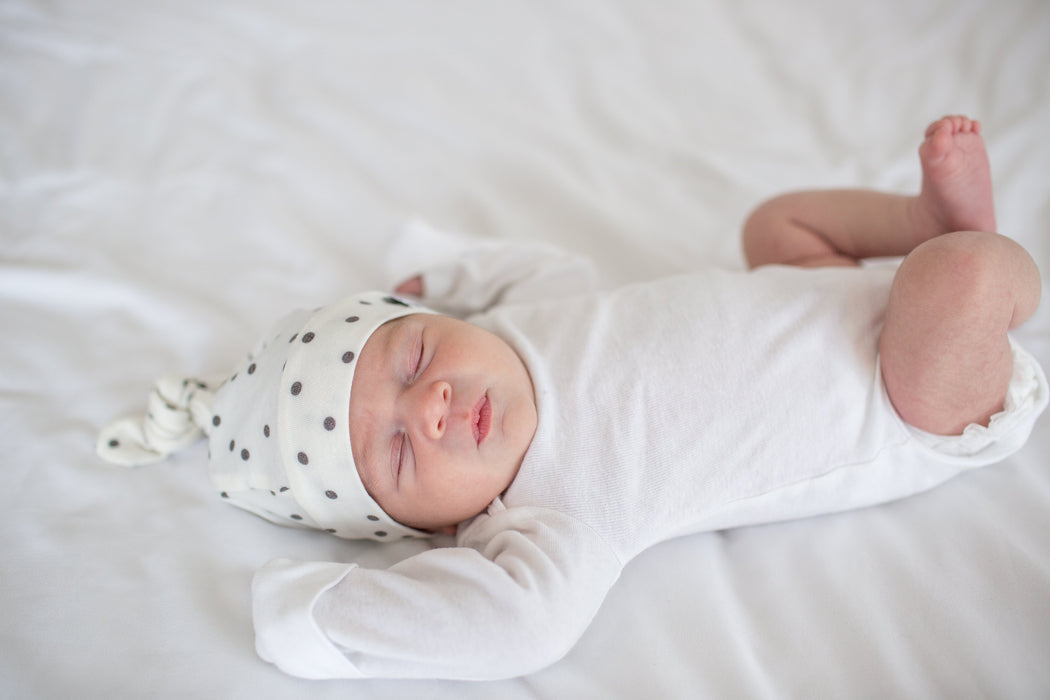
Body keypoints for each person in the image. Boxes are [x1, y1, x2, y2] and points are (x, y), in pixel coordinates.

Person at [98, 116, 1047, 680]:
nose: (430, 404)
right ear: (414, 529)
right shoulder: (549, 519)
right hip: (910, 398)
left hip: (825, 286)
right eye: (397, 452)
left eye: (415, 353)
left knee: (773, 224)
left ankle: (926, 225)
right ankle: (957, 245)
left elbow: (531, 265)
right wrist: (325, 618)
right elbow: (520, 628)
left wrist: (434, 275)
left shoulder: (533, 320)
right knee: (969, 279)